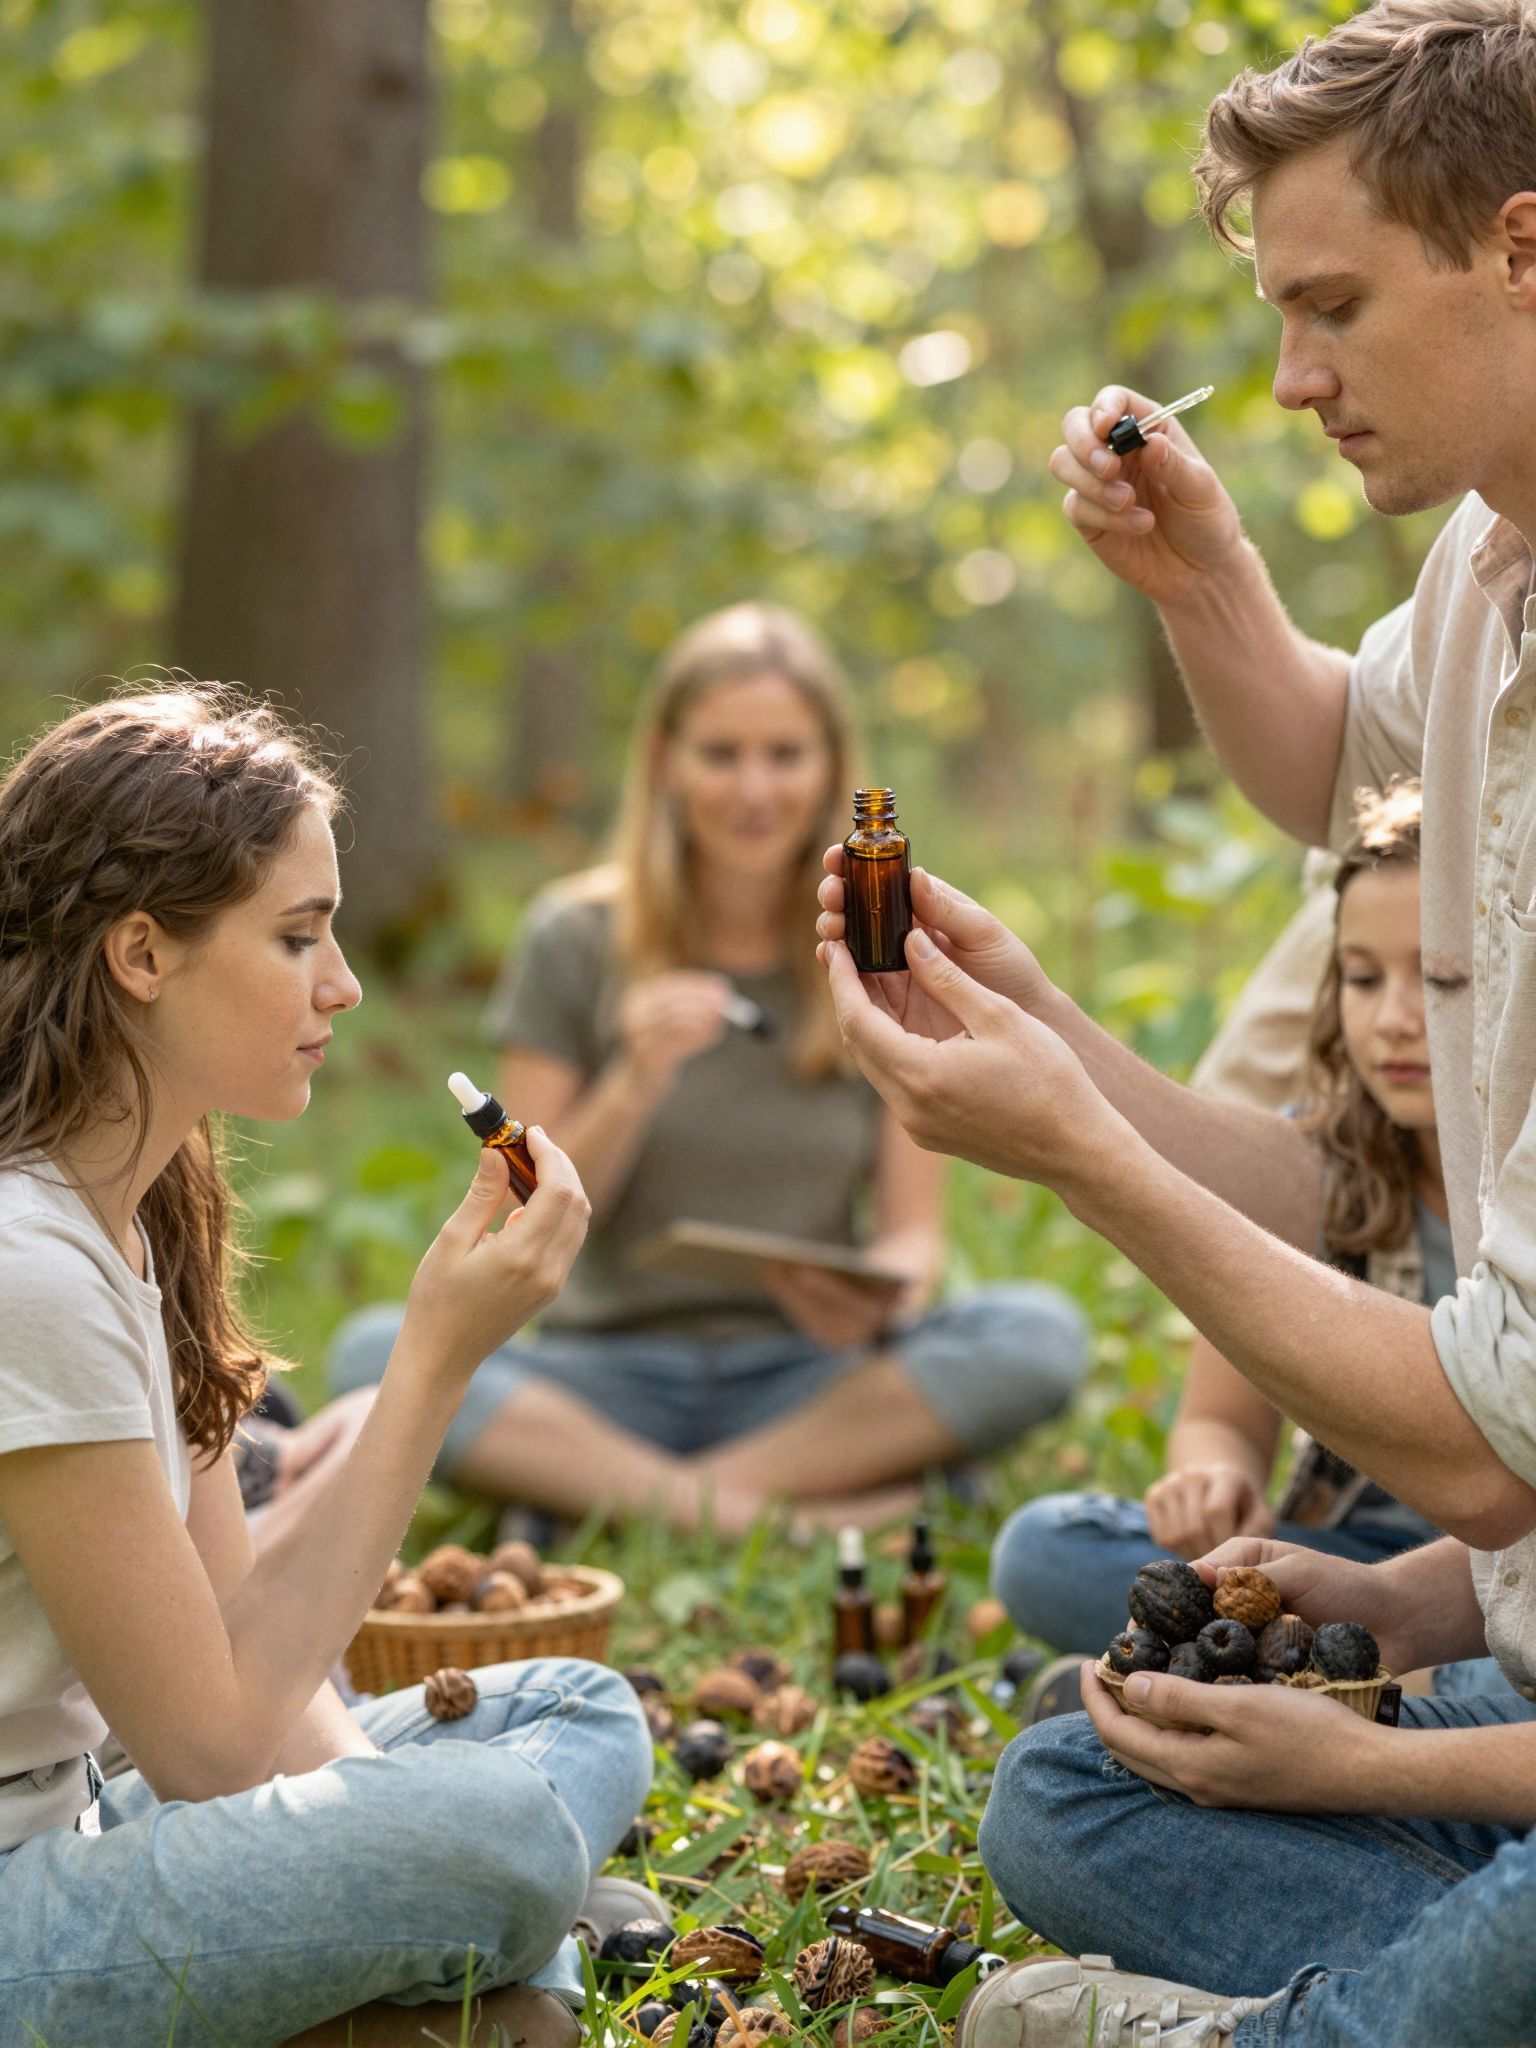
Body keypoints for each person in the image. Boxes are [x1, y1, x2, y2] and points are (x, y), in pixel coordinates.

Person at [816, 3, 1536, 2039]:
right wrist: (1199, 575)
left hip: (1493, 1528)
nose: (1294, 380)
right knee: (1075, 1783)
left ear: (1523, 247)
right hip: (1508, 1636)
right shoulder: (1491, 564)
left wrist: (1077, 1144)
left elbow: (1489, 1441)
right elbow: (1340, 772)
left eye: (1331, 309)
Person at [0, 687, 651, 2048]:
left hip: (104, 1812)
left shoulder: (143, 1212)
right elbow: (212, 1752)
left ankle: (424, 2002)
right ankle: (477, 1999)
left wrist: (373, 1860)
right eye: (298, 937)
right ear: (141, 955)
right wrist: (433, 1363)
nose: (342, 984)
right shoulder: (29, 1266)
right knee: (503, 1836)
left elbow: (250, 1659)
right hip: (23, 1896)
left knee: (577, 1710)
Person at [332, 602, 1086, 1534]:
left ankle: (615, 1498)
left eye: (785, 755)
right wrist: (637, 1076)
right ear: (665, 762)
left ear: (830, 768)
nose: (754, 789)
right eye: (721, 754)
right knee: (373, 1354)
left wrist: (877, 1302)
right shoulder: (574, 938)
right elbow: (528, 1214)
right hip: (605, 1369)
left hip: (805, 1375)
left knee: (1036, 1333)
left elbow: (910, 1236)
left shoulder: (876, 950)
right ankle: (765, 1514)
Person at [996, 781, 1509, 1701]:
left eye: (1440, 979)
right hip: (1339, 1558)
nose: (1393, 1017)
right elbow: (1220, 1416)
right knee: (1045, 1548)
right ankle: (1304, 1692)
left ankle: (1178, 1698)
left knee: (1496, 1674)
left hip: (1503, 1589)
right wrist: (1214, 1478)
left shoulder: (1521, 1185)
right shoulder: (1313, 1166)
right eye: (1361, 977)